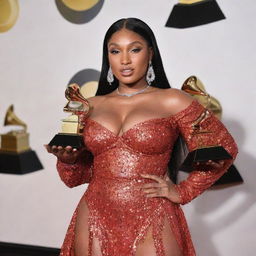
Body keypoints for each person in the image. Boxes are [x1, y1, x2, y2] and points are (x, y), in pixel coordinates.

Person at [45, 18, 238, 256]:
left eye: (134, 49)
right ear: (108, 57)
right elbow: (74, 178)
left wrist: (183, 191)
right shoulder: (89, 106)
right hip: (95, 211)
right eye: (115, 51)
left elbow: (224, 149)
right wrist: (68, 161)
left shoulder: (173, 100)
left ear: (151, 54)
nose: (124, 60)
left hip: (153, 211)